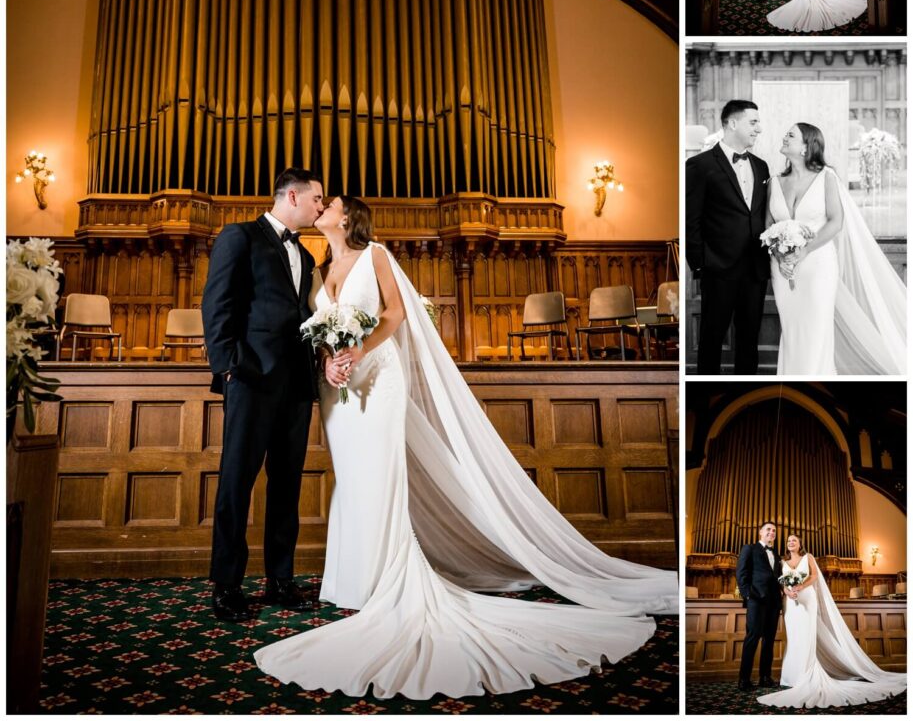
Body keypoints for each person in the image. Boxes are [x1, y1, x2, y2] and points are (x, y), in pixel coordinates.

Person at [254, 196, 678, 699]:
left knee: (380, 472)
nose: (322, 206)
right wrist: (330, 360)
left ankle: (383, 575)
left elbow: (394, 315)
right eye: (318, 200)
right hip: (337, 388)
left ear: (347, 217)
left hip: (379, 377)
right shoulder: (318, 267)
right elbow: (318, 333)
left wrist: (360, 349)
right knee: (353, 477)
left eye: (331, 203)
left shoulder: (377, 256)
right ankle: (351, 580)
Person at [201, 168, 325, 621]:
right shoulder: (240, 237)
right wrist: (229, 367)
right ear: (292, 195)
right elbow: (217, 305)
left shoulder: (308, 256)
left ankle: (280, 579)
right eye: (316, 199)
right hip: (250, 378)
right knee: (236, 482)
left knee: (287, 484)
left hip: (296, 385)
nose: (320, 207)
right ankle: (228, 585)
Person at [765, 122, 906, 375]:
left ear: (807, 146)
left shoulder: (826, 178)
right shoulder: (774, 182)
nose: (784, 137)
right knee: (792, 329)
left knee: (816, 329)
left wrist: (805, 251)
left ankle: (815, 386)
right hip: (783, 269)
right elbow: (769, 226)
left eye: (791, 135)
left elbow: (836, 221)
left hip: (817, 265)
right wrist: (779, 256)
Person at [757, 534, 906, 708]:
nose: (791, 543)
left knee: (806, 637)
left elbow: (814, 576)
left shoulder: (808, 557)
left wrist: (800, 586)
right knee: (794, 637)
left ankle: (806, 674)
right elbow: (780, 582)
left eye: (794, 540)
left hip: (807, 599)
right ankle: (791, 676)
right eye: (789, 541)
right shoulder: (782, 562)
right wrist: (788, 592)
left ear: (799, 544)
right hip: (790, 602)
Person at [685, 100, 769, 374]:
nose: (759, 128)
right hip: (718, 269)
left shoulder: (761, 166)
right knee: (711, 340)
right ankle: (705, 403)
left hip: (755, 269)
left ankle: (745, 397)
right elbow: (691, 219)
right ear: (732, 124)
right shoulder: (699, 165)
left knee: (749, 342)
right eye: (753, 122)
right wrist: (700, 263)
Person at [736, 521, 782, 692]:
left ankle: (765, 677)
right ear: (760, 532)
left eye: (774, 530)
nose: (772, 532)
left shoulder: (776, 554)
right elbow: (741, 572)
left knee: (769, 640)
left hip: (774, 603)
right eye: (768, 529)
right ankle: (744, 679)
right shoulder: (750, 548)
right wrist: (748, 594)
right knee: (752, 638)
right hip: (756, 600)